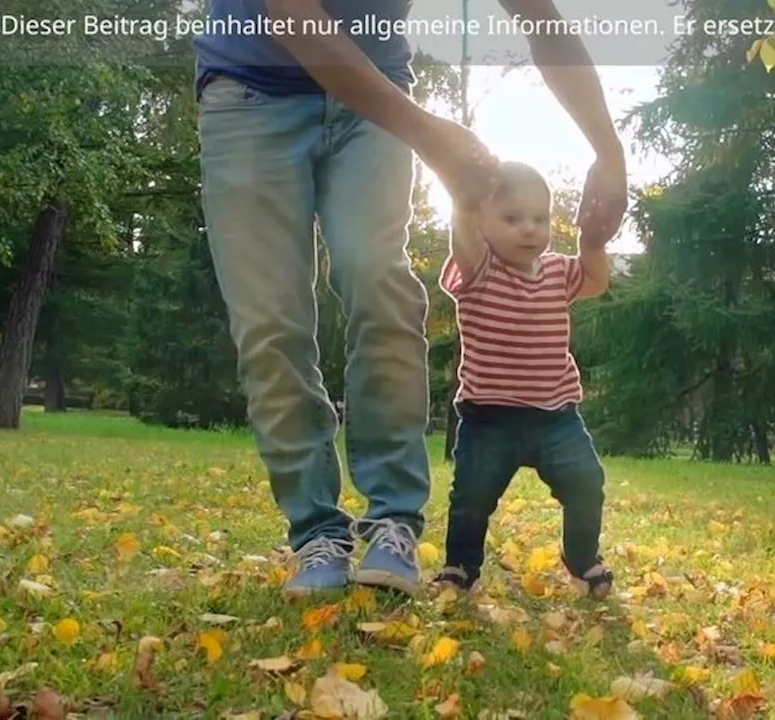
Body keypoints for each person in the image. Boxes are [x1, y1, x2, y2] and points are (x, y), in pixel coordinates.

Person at [193, 0, 627, 599]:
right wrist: (430, 136)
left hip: (374, 105)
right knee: (271, 323)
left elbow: (541, 19)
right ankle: (316, 531)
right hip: (249, 92)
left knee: (381, 285)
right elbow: (294, 18)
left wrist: (608, 149)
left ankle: (393, 521)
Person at [433, 162, 615, 598]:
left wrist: (591, 241)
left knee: (586, 483)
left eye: (540, 218)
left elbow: (596, 279)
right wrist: (462, 203)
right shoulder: (479, 269)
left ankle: (582, 557)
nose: (529, 229)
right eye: (512, 218)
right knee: (472, 497)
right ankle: (460, 566)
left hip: (557, 416)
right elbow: (464, 239)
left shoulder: (556, 271)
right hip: (489, 417)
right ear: (481, 220)